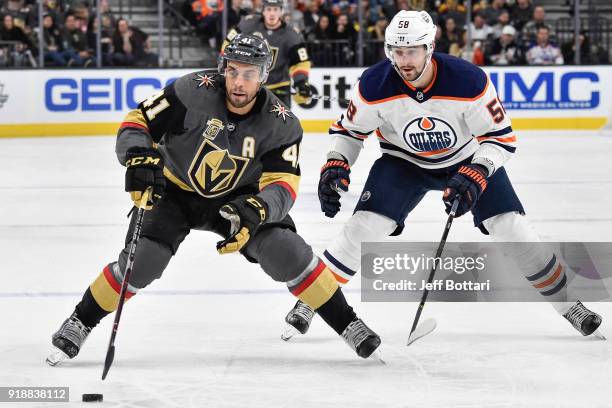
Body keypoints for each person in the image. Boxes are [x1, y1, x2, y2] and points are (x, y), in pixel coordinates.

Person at [46, 34, 381, 367]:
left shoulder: (281, 123)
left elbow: (284, 183)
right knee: (143, 260)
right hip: (173, 191)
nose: (239, 82)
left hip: (239, 200)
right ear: (223, 68)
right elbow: (139, 120)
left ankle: (348, 322)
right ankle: (80, 320)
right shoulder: (191, 90)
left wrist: (260, 207)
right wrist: (137, 157)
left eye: (250, 74)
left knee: (286, 251)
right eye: (233, 71)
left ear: (264, 75)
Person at [281, 10, 602, 341]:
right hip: (403, 163)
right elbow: (349, 132)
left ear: (429, 48)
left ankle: (570, 306)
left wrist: (479, 169)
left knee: (511, 227)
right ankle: (311, 301)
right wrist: (337, 161)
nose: (404, 60)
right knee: (363, 227)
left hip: (465, 160)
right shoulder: (374, 84)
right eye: (397, 51)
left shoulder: (468, 80)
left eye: (412, 51)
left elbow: (501, 139)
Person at [222, 0, 314, 108]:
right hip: (251, 85)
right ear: (263, 11)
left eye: (275, 9)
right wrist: (225, 64)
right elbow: (228, 45)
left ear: (281, 12)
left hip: (279, 87)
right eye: (269, 9)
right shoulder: (248, 24)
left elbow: (300, 63)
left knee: (281, 124)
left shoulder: (292, 35)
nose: (272, 13)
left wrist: (301, 82)